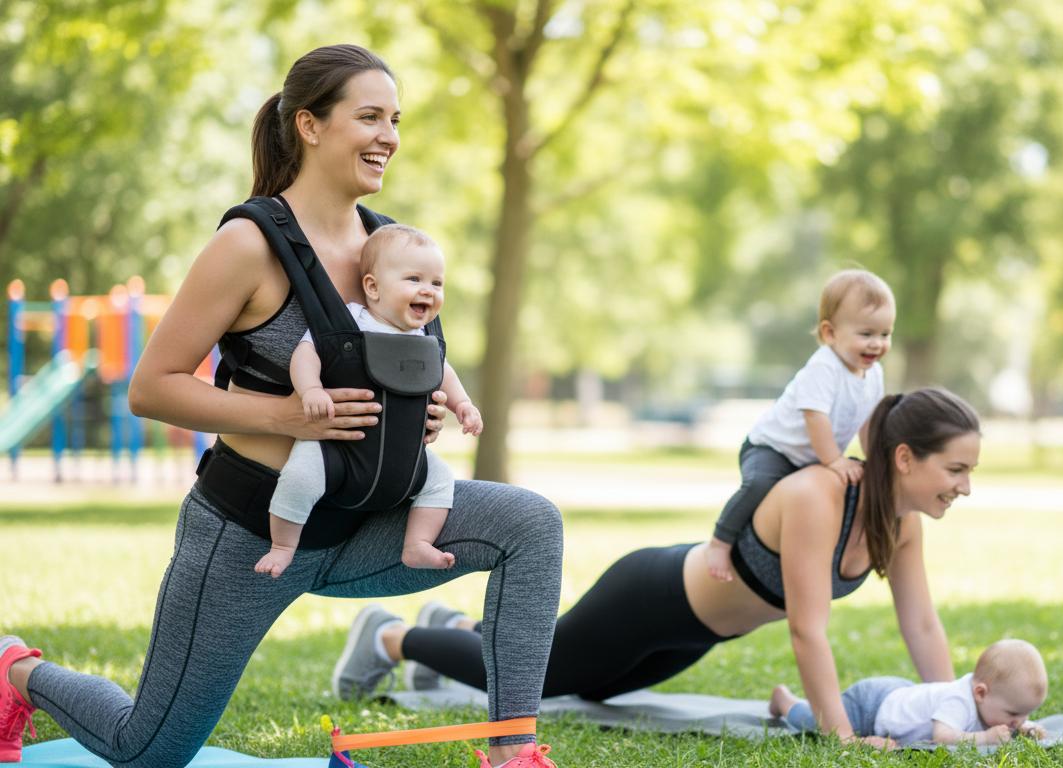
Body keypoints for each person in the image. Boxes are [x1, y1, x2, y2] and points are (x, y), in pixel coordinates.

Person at [0, 45, 562, 768]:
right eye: (370, 116)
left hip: (369, 525)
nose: (389, 136)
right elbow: (152, 386)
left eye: (396, 119)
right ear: (310, 125)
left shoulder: (394, 250)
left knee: (531, 524)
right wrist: (286, 418)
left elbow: (413, 368)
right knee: (150, 752)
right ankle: (17, 671)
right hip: (250, 534)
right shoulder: (249, 245)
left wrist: (425, 415)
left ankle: (514, 753)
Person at [333, 387, 979, 752]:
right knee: (547, 680)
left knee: (591, 692)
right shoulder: (820, 496)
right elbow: (807, 631)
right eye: (956, 469)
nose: (965, 487)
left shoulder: (899, 525)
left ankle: (457, 627)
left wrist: (958, 710)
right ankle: (389, 636)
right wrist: (840, 738)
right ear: (903, 458)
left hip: (695, 635)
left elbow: (920, 623)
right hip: (652, 598)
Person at [255, 223, 483, 579]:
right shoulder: (353, 321)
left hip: (402, 456)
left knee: (441, 479)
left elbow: (443, 371)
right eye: (414, 279)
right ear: (373, 287)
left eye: (437, 283)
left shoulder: (424, 337)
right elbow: (308, 351)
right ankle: (283, 546)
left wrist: (463, 404)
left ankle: (417, 543)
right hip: (338, 451)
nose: (428, 290)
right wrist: (311, 390)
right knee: (300, 476)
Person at [705, 269, 894, 582]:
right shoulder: (824, 367)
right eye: (866, 334)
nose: (877, 344)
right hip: (772, 449)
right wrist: (834, 460)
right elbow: (814, 417)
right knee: (759, 485)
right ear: (830, 333)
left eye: (885, 334)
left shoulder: (874, 374)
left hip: (811, 458)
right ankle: (720, 541)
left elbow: (869, 421)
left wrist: (874, 457)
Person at [769, 638, 1049, 747]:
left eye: (1026, 714)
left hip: (899, 694)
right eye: (1014, 714)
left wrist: (1025, 727)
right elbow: (943, 736)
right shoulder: (959, 701)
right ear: (980, 693)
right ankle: (785, 700)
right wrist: (985, 738)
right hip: (870, 706)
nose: (1018, 721)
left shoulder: (992, 702)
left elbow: (1008, 718)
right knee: (817, 722)